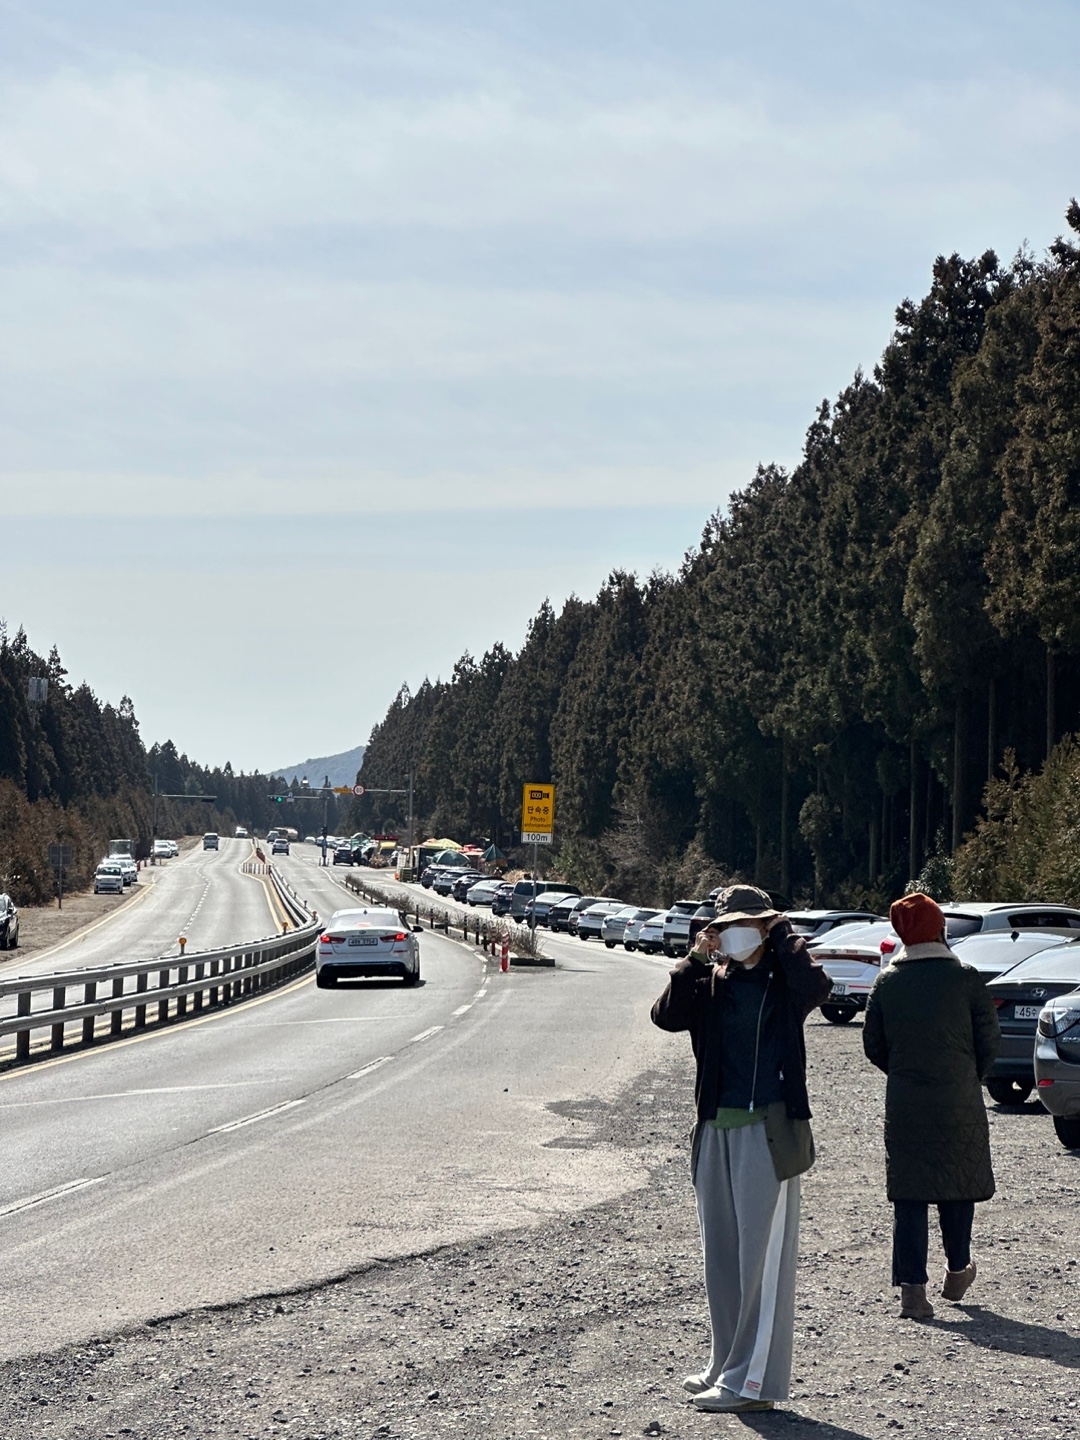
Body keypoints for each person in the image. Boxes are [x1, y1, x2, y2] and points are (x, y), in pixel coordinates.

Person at [651, 884, 832, 1414]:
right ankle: (725, 1363)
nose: (733, 933)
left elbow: (818, 987)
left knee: (761, 1262)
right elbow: (665, 1016)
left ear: (764, 926)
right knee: (723, 1258)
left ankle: (753, 1383)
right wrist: (693, 958)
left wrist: (784, 936)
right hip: (715, 1127)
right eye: (725, 925)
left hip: (767, 1132)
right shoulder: (712, 981)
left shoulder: (785, 980)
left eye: (745, 924)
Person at [862, 891, 1000, 1320]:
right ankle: (958, 1270)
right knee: (958, 1185)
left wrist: (903, 1072)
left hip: (906, 1102)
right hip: (959, 1098)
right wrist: (968, 1076)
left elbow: (873, 1045)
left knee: (910, 1194)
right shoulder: (966, 978)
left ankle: (912, 1293)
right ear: (940, 929)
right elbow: (989, 1040)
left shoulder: (887, 982)